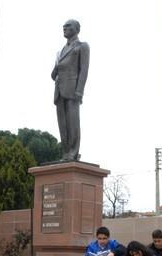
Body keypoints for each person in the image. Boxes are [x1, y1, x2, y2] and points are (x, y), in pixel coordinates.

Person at [51, 19, 90, 161]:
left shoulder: (82, 46)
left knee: (73, 122)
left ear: (76, 29)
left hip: (73, 90)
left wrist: (79, 91)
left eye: (68, 26)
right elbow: (53, 74)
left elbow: (84, 70)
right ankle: (66, 152)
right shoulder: (61, 50)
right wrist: (56, 67)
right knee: (62, 124)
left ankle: (74, 151)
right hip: (59, 91)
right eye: (64, 26)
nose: (64, 28)